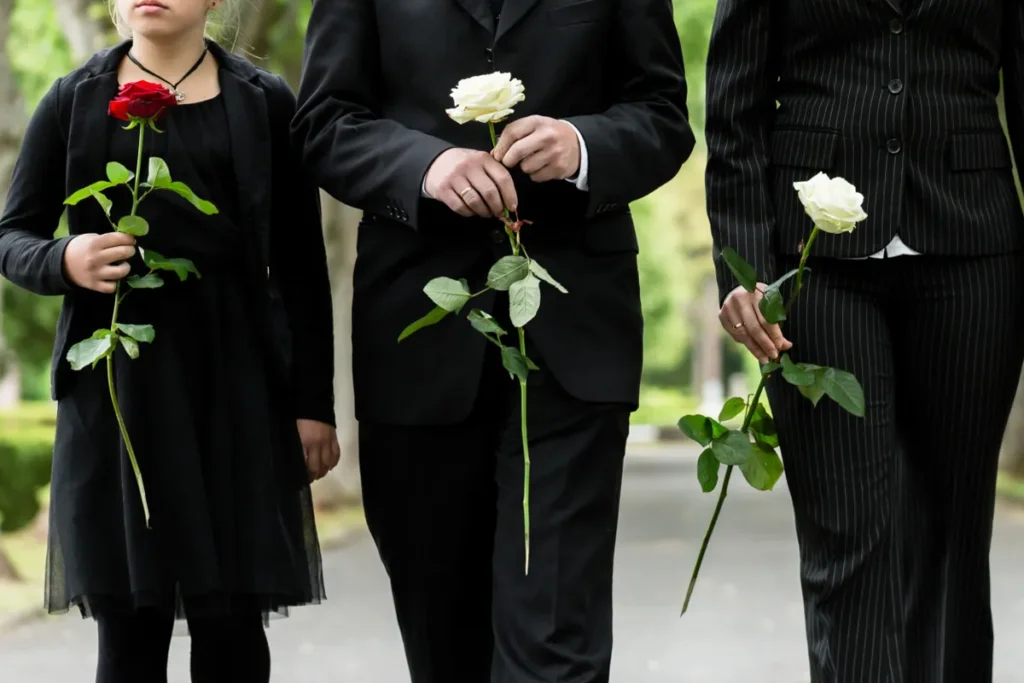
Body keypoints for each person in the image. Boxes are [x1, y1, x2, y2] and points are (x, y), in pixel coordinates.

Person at [292, 1, 694, 681]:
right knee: (444, 640)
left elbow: (662, 114)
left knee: (556, 642)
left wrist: (582, 146)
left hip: (576, 341)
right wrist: (425, 167)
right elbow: (325, 123)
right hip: (415, 339)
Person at [0, 0, 340, 680]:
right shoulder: (73, 100)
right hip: (118, 393)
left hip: (239, 390)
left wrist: (313, 403)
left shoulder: (265, 102)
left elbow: (303, 267)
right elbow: (13, 236)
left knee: (235, 631)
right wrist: (66, 261)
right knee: (129, 632)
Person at [706, 1, 1024, 682]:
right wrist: (745, 265)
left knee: (952, 537)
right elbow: (735, 108)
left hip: (974, 250)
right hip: (813, 263)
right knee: (846, 537)